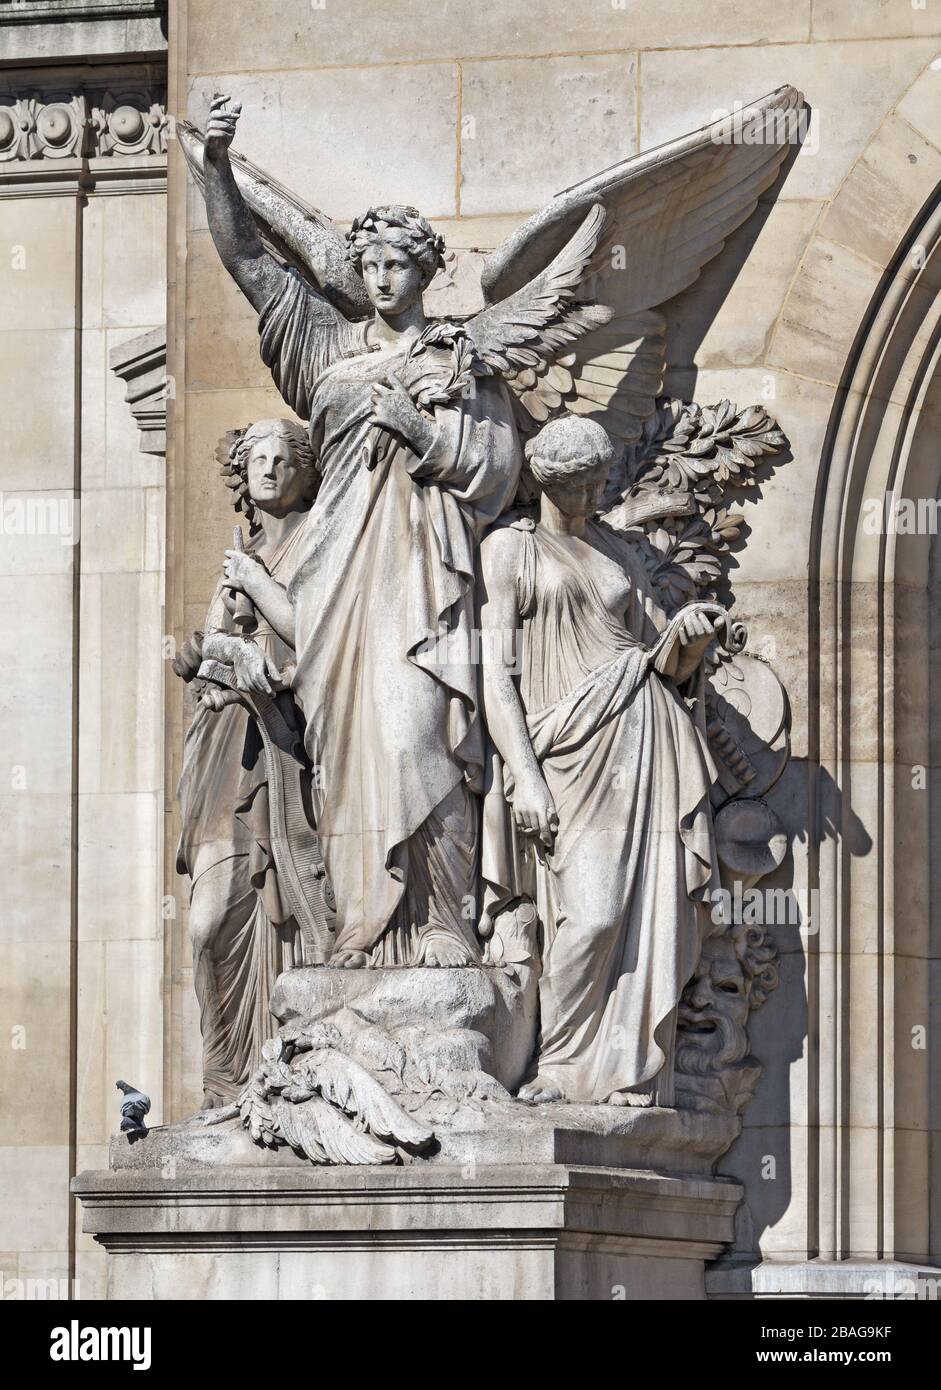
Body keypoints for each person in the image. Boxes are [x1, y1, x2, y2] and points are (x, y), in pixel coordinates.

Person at [202, 94, 522, 969]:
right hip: (334, 574)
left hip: (424, 573)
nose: (382, 279)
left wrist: (422, 431)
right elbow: (244, 259)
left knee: (419, 729)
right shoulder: (325, 353)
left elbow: (497, 469)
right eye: (370, 263)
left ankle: (446, 926)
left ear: (424, 272)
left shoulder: (457, 358)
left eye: (399, 265)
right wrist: (219, 166)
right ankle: (360, 927)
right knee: (344, 751)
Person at [478, 415, 724, 1106]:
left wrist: (686, 636)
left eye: (598, 480)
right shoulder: (508, 551)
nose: (594, 493)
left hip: (644, 734)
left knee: (647, 910)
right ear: (546, 481)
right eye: (579, 483)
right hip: (563, 748)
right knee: (588, 916)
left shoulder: (619, 549)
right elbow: (495, 676)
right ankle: (558, 1065)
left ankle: (628, 1069)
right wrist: (523, 774)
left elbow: (654, 656)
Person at [173, 419, 316, 1105]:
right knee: (203, 925)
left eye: (282, 459)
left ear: (304, 470)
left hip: (290, 754)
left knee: (261, 910)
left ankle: (272, 1066)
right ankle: (223, 1076)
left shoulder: (318, 545)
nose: (268, 470)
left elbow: (318, 639)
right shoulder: (241, 551)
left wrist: (255, 590)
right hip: (227, 748)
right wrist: (197, 656)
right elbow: (209, 652)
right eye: (257, 460)